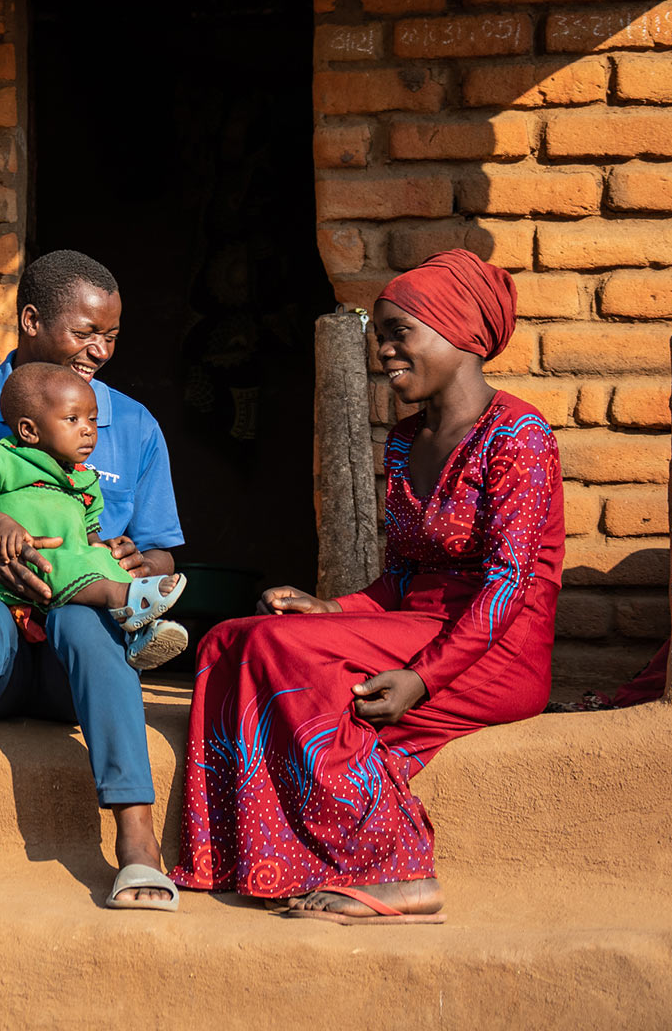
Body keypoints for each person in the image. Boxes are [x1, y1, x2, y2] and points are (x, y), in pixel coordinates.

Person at [169, 248, 562, 924]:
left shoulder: (518, 438)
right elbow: (403, 579)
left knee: (284, 656)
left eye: (397, 333)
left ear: (460, 334)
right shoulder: (407, 441)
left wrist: (421, 680)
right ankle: (252, 858)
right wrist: (331, 609)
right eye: (380, 336)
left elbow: (508, 585)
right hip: (419, 628)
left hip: (498, 652)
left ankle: (400, 869)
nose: (383, 351)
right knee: (233, 641)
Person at [0, 250, 186, 927]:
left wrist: (141, 562)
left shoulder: (132, 425)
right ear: (30, 320)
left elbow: (164, 550)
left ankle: (137, 843)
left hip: (72, 665)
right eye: (86, 333)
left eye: (110, 337)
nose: (99, 352)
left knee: (87, 622)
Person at [0, 361, 188, 669]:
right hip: (28, 562)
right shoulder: (3, 458)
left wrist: (104, 549)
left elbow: (89, 531)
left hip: (70, 564)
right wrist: (1, 522)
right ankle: (125, 598)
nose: (88, 429)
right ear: (29, 430)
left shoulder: (84, 480)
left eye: (92, 419)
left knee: (101, 560)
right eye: (73, 419)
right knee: (63, 561)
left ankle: (140, 632)